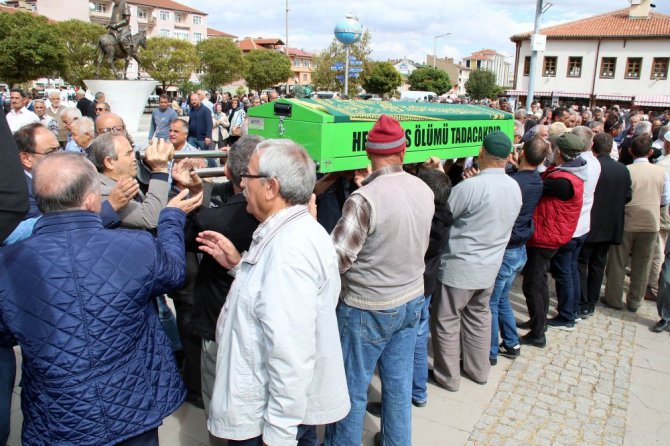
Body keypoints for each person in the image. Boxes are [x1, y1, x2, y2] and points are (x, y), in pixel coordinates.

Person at [0, 152, 202, 446]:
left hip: (57, 417)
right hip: (132, 409)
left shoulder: (7, 264)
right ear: (91, 198)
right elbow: (173, 273)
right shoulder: (135, 246)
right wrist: (170, 218)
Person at [197, 139, 350, 445]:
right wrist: (239, 267)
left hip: (268, 421)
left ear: (270, 187)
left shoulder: (288, 251)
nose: (242, 183)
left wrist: (279, 434)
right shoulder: (294, 231)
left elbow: (291, 351)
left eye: (249, 177)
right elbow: (275, 301)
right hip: (275, 413)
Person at [325, 115, 433, 446]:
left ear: (368, 153)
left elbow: (336, 260)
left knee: (351, 391)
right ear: (402, 151)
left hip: (367, 307)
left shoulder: (363, 200)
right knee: (398, 387)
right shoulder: (423, 187)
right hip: (411, 299)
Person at [431, 131, 522, 392]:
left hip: (460, 267)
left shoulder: (471, 187)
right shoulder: (513, 186)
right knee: (479, 317)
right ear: (507, 157)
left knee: (447, 321)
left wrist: (440, 174)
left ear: (481, 153)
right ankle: (479, 370)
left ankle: (447, 376)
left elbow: (442, 213)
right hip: (490, 266)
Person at [185, 135, 263, 417]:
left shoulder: (211, 221)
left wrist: (191, 197)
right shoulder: (291, 215)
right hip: (264, 327)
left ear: (229, 171)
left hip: (220, 325)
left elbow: (181, 240)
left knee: (219, 403)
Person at [520, 133, 586, 348]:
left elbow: (535, 185)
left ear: (560, 153)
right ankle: (538, 322)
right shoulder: (567, 173)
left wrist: (522, 168)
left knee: (532, 283)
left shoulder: (562, 181)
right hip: (550, 233)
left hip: (546, 237)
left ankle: (538, 333)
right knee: (539, 281)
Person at [488, 136, 545, 366]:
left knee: (491, 302)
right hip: (519, 249)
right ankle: (511, 342)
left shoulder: (514, 182)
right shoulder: (536, 180)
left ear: (522, 154)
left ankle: (490, 351)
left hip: (507, 250)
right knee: (501, 299)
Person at [604, 135, 670, 312]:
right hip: (650, 222)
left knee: (618, 262)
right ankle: (635, 301)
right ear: (650, 152)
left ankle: (613, 298)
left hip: (627, 220)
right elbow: (665, 199)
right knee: (643, 264)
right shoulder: (660, 172)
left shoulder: (626, 170)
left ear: (630, 151)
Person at [547, 126, 600, 330]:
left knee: (564, 271)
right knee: (571, 269)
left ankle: (567, 314)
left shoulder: (580, 167)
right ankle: (574, 309)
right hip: (581, 225)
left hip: (571, 227)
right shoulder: (592, 163)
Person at [578, 132, 632, 317]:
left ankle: (583, 299)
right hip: (609, 224)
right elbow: (627, 196)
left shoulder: (593, 167)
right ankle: (590, 301)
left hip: (591, 222)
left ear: (594, 147)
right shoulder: (622, 169)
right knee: (598, 264)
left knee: (582, 263)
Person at [89, 132, 172, 230]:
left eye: (133, 151)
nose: (135, 157)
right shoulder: (104, 192)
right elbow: (150, 217)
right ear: (109, 162)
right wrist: (160, 170)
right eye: (128, 153)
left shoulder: (124, 182)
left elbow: (155, 205)